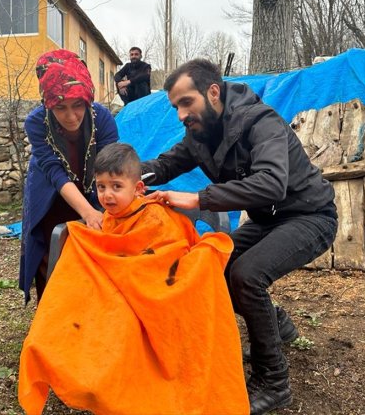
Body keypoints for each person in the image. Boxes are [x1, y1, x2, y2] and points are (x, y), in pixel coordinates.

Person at [141, 59, 338, 415]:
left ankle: (273, 382)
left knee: (246, 277)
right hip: (267, 220)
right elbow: (165, 164)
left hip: (309, 214)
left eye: (187, 102)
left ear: (212, 91)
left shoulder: (261, 122)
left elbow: (272, 183)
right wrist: (124, 176)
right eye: (176, 107)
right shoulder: (199, 135)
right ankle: (278, 325)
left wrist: (200, 198)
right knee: (212, 269)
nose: (181, 115)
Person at [18, 142, 249, 415]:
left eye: (116, 186)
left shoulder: (155, 217)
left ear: (138, 189)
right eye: (101, 187)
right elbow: (106, 253)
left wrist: (127, 273)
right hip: (114, 292)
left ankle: (123, 387)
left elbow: (165, 257)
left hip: (150, 296)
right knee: (66, 318)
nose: (107, 195)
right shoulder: (106, 220)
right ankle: (88, 377)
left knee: (122, 328)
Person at [19, 49, 119, 304]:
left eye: (78, 106)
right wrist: (86, 212)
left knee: (96, 247)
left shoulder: (102, 118)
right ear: (47, 104)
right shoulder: (36, 122)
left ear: (88, 99)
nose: (71, 116)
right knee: (51, 247)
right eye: (60, 107)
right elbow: (54, 172)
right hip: (50, 191)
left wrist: (102, 208)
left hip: (95, 185)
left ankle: (91, 310)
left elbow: (110, 165)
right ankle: (53, 315)